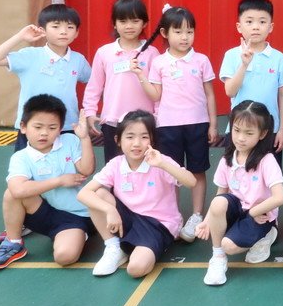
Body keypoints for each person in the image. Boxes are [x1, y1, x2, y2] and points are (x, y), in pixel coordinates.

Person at [78, 110, 198, 278]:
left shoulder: (160, 161)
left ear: (152, 140)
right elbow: (83, 194)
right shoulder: (116, 164)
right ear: (118, 140)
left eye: (144, 137)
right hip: (127, 218)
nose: (137, 143)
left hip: (158, 225)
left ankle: (134, 248)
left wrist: (163, 164)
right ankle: (113, 246)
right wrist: (109, 210)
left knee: (135, 269)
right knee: (98, 194)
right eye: (130, 137)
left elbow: (191, 182)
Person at [134, 5, 218, 242]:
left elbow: (210, 94)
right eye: (178, 32)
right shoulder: (159, 63)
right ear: (164, 33)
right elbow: (156, 95)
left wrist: (212, 124)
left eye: (189, 32)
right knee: (171, 172)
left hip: (197, 123)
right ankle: (172, 215)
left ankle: (197, 215)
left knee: (197, 170)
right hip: (168, 126)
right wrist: (140, 76)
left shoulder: (201, 60)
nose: (185, 37)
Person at [0, 95, 94, 270]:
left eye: (52, 127)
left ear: (60, 129)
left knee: (65, 256)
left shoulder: (70, 141)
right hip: (46, 212)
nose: (44, 133)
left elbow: (87, 169)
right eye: (38, 127)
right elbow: (17, 189)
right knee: (12, 193)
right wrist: (59, 181)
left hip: (77, 216)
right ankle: (13, 243)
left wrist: (85, 138)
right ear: (23, 127)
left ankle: (76, 235)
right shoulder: (21, 157)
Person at [197, 100, 283, 286]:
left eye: (249, 133)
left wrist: (253, 212)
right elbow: (220, 195)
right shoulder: (227, 160)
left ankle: (268, 233)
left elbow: (280, 197)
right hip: (238, 210)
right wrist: (206, 221)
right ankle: (217, 257)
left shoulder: (267, 160)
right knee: (218, 203)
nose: (240, 138)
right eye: (236, 130)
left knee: (229, 245)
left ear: (262, 134)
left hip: (259, 215)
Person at [0, 3, 92, 151]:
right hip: (33, 126)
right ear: (43, 30)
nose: (63, 32)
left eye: (70, 27)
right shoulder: (30, 55)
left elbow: (94, 83)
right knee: (28, 164)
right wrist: (20, 36)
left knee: (66, 164)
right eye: (56, 26)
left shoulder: (78, 59)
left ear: (76, 32)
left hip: (67, 125)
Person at [82, 0, 157, 162]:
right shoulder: (104, 52)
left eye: (135, 21)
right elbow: (94, 87)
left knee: (146, 167)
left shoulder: (152, 53)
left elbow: (159, 89)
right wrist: (90, 112)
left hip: (145, 122)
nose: (129, 26)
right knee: (114, 167)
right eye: (123, 21)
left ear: (144, 23)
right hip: (113, 121)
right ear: (114, 24)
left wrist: (158, 116)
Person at [219, 0, 283, 162]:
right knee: (236, 171)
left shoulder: (279, 58)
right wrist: (244, 64)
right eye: (249, 21)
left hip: (269, 131)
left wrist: (282, 130)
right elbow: (230, 91)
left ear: (271, 27)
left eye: (262, 21)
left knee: (269, 173)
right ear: (239, 26)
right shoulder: (232, 55)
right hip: (239, 130)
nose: (256, 27)